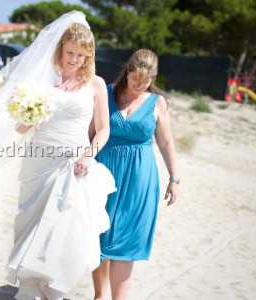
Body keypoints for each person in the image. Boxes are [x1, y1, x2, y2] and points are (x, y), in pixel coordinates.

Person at [0, 11, 115, 300]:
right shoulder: (41, 82)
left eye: (80, 55)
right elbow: (23, 128)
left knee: (63, 231)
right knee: (33, 225)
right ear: (60, 47)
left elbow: (103, 131)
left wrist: (88, 156)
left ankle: (55, 290)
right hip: (39, 163)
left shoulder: (96, 85)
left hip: (74, 166)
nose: (73, 59)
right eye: (69, 52)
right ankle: (31, 288)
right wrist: (27, 117)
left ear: (88, 56)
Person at [92, 49, 180, 299]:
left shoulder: (158, 103)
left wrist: (174, 178)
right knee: (99, 234)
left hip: (139, 179)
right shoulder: (105, 92)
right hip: (103, 173)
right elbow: (90, 132)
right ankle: (99, 295)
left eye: (145, 82)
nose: (139, 86)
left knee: (126, 240)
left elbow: (166, 143)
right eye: (134, 80)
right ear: (127, 71)